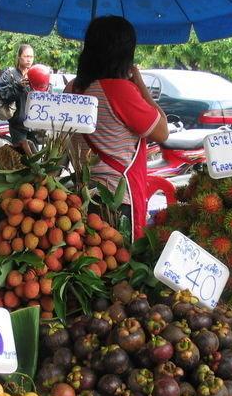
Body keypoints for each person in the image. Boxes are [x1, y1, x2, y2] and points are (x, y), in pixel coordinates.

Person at [66, 16, 168, 241]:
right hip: (116, 200)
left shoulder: (72, 88)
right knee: (119, 266)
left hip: (81, 196)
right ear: (125, 53)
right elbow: (162, 132)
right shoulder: (121, 90)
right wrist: (140, 84)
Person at [0, 44, 35, 143]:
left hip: (34, 125)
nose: (29, 60)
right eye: (26, 56)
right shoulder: (10, 74)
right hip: (18, 126)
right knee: (20, 156)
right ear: (19, 57)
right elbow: (4, 95)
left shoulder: (35, 74)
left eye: (31, 57)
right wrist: (18, 86)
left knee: (35, 156)